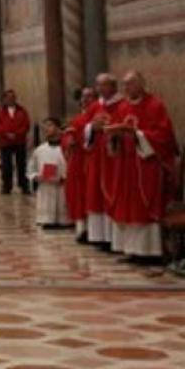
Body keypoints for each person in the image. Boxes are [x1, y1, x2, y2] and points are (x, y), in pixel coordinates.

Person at [106, 72, 179, 264]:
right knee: (127, 208)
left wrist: (137, 134)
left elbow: (164, 136)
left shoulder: (155, 105)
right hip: (126, 165)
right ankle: (131, 250)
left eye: (130, 84)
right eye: (124, 85)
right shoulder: (122, 107)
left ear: (141, 84)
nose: (126, 88)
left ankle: (149, 252)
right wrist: (114, 136)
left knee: (143, 208)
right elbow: (114, 130)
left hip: (147, 165)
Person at [82, 74, 122, 250]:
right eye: (98, 85)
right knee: (96, 194)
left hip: (114, 159)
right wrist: (92, 127)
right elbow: (85, 127)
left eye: (104, 85)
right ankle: (100, 237)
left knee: (113, 195)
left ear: (113, 86)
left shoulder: (122, 105)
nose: (100, 89)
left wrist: (111, 131)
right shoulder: (95, 106)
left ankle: (114, 239)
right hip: (97, 157)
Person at [63, 88, 97, 242]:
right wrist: (68, 141)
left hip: (93, 160)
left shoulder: (99, 116)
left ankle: (94, 231)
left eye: (89, 96)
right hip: (78, 162)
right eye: (83, 97)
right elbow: (68, 135)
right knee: (78, 194)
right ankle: (81, 228)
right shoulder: (77, 119)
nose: (85, 100)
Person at [29, 118, 70, 229]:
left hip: (63, 186)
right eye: (45, 126)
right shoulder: (39, 150)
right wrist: (36, 176)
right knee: (47, 219)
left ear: (59, 129)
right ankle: (47, 219)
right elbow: (31, 168)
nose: (46, 128)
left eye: (50, 125)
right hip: (45, 188)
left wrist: (64, 177)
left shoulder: (67, 148)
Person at [0, 90, 32, 195]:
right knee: (6, 165)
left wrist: (17, 134)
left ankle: (23, 185)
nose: (11, 99)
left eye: (13, 97)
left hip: (19, 141)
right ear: (4, 99)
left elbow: (26, 124)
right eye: (8, 97)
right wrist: (6, 134)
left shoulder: (22, 111)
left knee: (21, 164)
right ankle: (6, 186)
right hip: (5, 142)